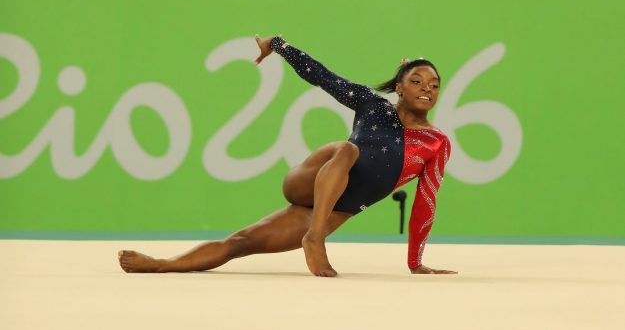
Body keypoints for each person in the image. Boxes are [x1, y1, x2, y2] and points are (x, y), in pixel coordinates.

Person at [118, 34, 457, 277]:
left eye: (434, 84)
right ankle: (315, 238)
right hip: (309, 180)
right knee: (347, 149)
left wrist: (416, 262)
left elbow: (425, 202)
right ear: (399, 87)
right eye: (417, 81)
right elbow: (324, 77)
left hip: (339, 206)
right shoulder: (373, 105)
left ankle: (160, 264)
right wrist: (279, 46)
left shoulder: (436, 143)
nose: (427, 89)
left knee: (241, 242)